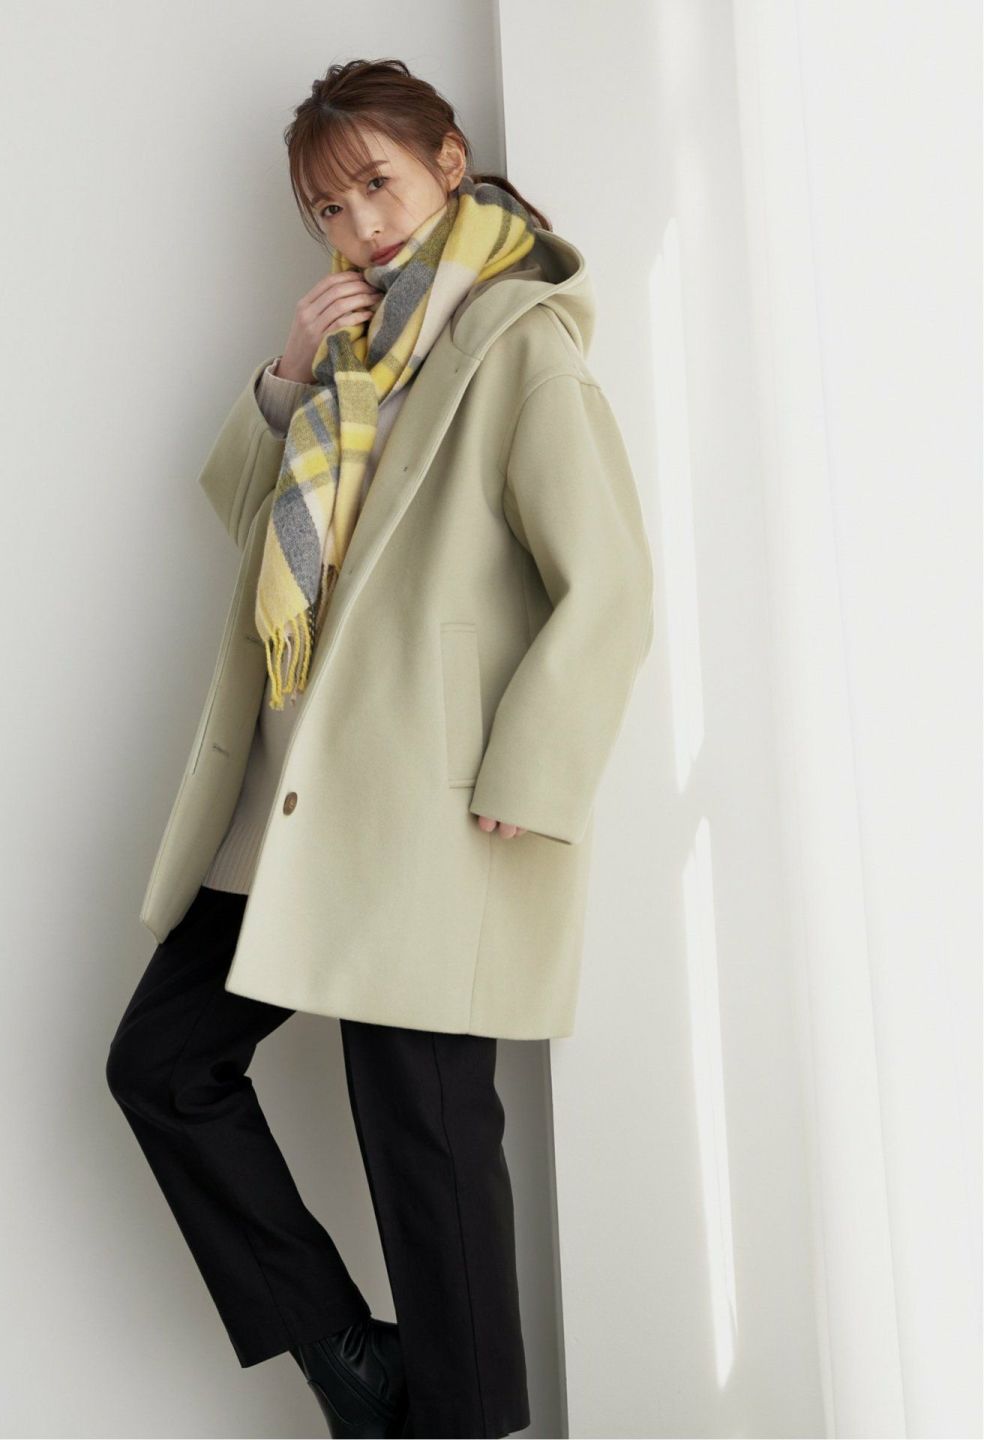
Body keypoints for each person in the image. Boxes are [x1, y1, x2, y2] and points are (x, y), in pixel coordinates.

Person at [107, 57, 654, 1440]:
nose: (360, 225)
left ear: (447, 163)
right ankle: (356, 1368)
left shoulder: (519, 345)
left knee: (427, 1141)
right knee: (163, 1065)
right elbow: (255, 527)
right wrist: (291, 372)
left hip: (425, 810)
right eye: (329, 209)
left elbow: (610, 586)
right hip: (292, 801)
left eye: (378, 184)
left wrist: (530, 775)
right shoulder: (353, 365)